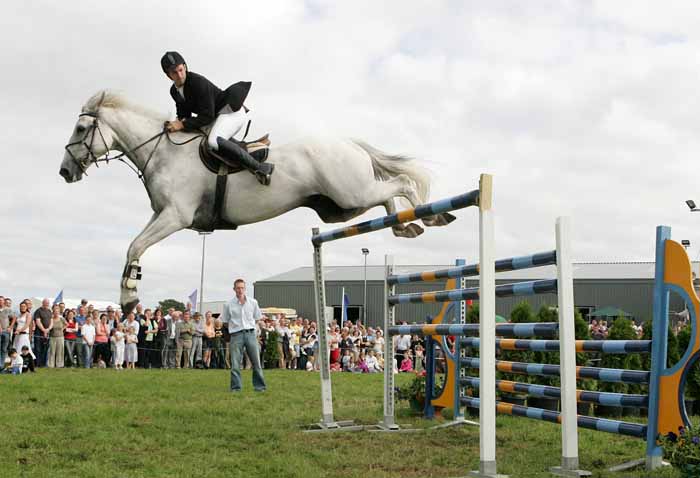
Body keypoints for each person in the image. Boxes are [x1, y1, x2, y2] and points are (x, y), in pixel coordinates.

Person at [160, 51, 274, 185]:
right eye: (174, 73)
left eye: (180, 70)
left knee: (213, 141)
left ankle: (260, 168)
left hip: (232, 112)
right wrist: (176, 124)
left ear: (185, 67)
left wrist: (181, 125)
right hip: (217, 117)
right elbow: (184, 116)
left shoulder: (197, 82)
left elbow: (206, 117)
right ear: (168, 76)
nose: (179, 75)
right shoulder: (174, 91)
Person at [222, 278, 266, 392]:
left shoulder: (253, 302)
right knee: (235, 363)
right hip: (236, 335)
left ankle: (260, 387)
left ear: (245, 289)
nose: (240, 290)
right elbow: (225, 322)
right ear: (234, 289)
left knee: (256, 362)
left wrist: (250, 329)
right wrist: (235, 328)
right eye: (238, 288)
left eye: (242, 288)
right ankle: (236, 388)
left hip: (250, 333)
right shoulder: (228, 305)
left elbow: (257, 318)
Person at [32, 298, 52, 367]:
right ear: (43, 303)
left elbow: (51, 321)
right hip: (39, 332)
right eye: (46, 303)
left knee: (45, 348)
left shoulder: (49, 311)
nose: (47, 304)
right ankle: (37, 363)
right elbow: (38, 321)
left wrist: (48, 329)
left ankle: (43, 364)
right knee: (38, 349)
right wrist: (44, 330)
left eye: (48, 303)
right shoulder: (38, 311)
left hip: (47, 332)